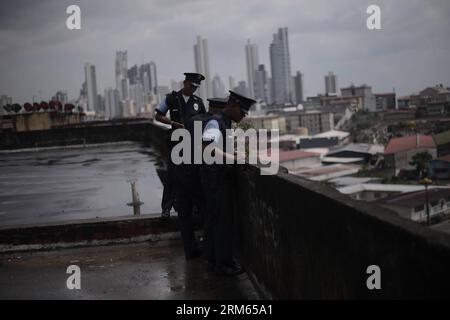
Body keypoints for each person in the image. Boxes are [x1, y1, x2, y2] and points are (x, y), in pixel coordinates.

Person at [198, 91, 256, 276]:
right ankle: (223, 265)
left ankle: (214, 260)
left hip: (216, 179)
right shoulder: (215, 122)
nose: (244, 116)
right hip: (216, 180)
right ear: (233, 106)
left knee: (216, 221)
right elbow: (207, 147)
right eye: (243, 111)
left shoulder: (224, 123)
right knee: (222, 223)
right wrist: (233, 158)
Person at [154, 72, 207, 259]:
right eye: (191, 85)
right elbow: (157, 116)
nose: (192, 89)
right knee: (172, 177)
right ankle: (166, 207)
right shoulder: (171, 99)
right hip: (176, 144)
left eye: (195, 87)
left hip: (192, 148)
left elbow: (204, 123)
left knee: (193, 183)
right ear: (184, 82)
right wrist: (173, 123)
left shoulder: (198, 103)